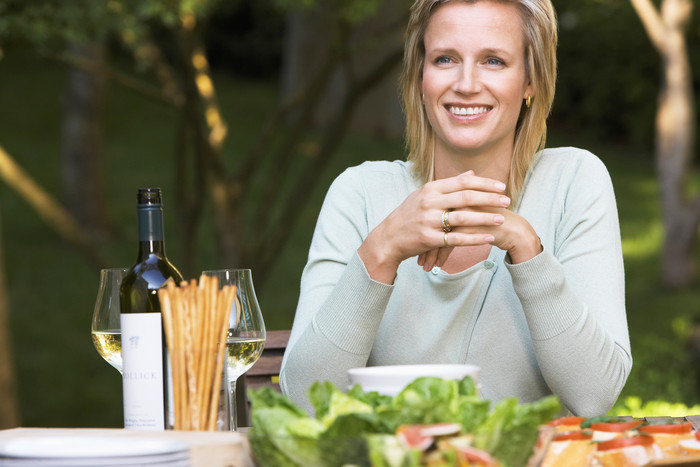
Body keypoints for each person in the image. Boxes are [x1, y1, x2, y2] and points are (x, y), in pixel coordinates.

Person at [280, 0, 632, 417]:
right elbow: (304, 400)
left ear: (530, 81)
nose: (466, 83)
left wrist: (525, 246)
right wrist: (383, 250)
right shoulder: (359, 193)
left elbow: (593, 396)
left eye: (494, 61)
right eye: (445, 58)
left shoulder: (575, 180)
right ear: (420, 77)